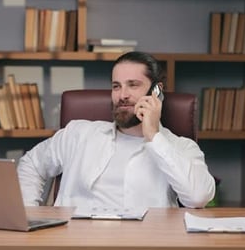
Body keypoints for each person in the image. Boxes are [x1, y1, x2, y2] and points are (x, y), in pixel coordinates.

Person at [17, 51, 215, 208]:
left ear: (157, 92)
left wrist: (153, 136)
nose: (122, 95)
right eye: (116, 86)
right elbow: (31, 164)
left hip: (143, 248)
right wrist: (30, 214)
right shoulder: (78, 133)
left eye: (133, 85)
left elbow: (198, 197)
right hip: (75, 246)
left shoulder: (180, 147)